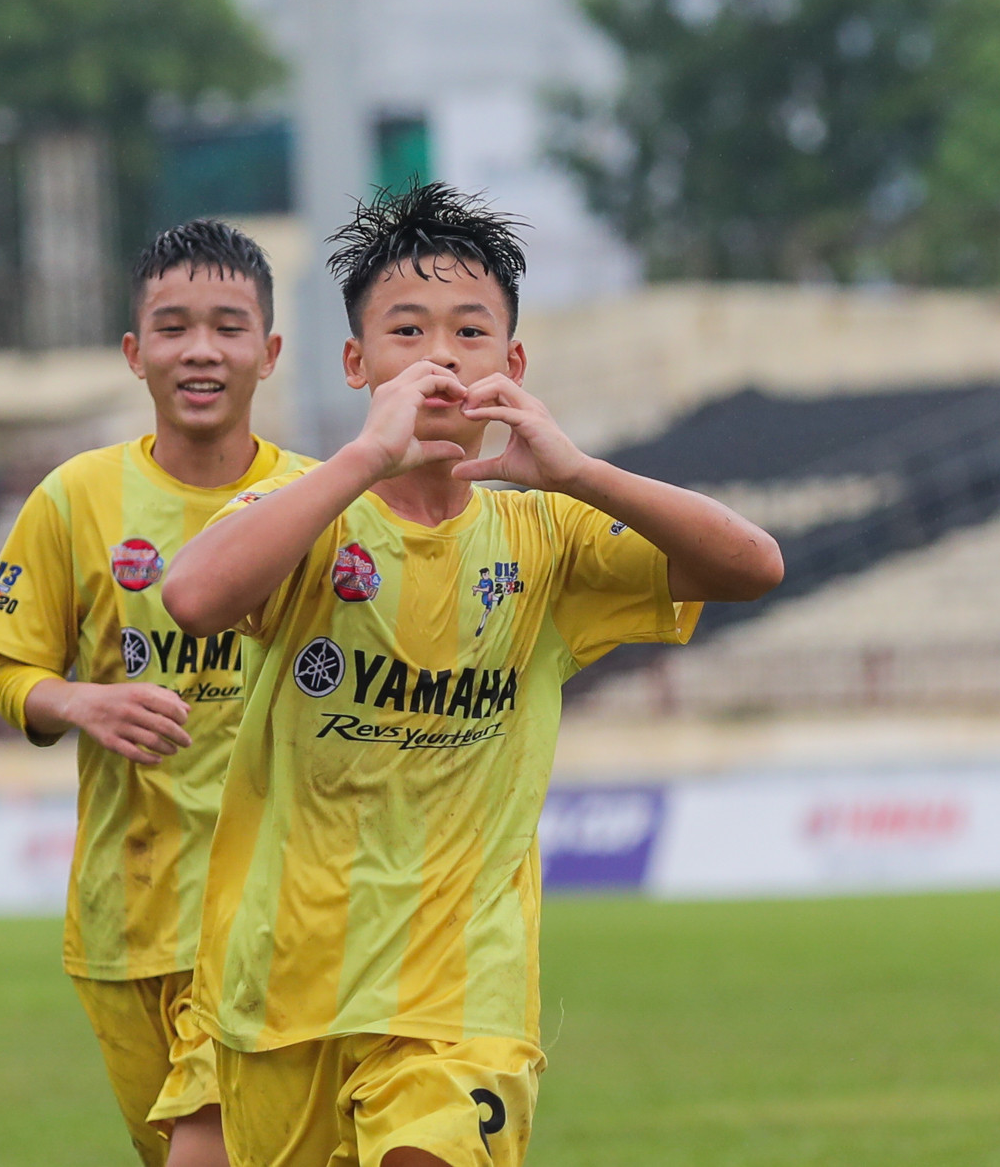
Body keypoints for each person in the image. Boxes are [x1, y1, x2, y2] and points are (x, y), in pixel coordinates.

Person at [160, 183, 784, 1167]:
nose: (440, 354)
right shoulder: (303, 511)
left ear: (513, 361)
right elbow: (191, 596)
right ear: (358, 363)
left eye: (470, 329)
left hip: (461, 996)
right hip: (283, 986)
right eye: (406, 330)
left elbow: (753, 565)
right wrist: (363, 458)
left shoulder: (546, 530)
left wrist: (580, 472)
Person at [0, 219, 313, 1167]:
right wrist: (81, 702)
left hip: (274, 918)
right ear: (135, 352)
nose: (200, 349)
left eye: (228, 326)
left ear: (269, 352)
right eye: (173, 326)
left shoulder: (320, 503)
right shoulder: (73, 499)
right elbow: (11, 673)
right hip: (125, 922)